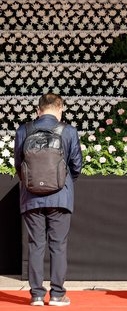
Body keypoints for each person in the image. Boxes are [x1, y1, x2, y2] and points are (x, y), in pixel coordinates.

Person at [14, 93, 83, 307]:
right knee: (58, 245)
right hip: (60, 196)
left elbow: (18, 163)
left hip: (31, 197)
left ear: (38, 110)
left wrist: (33, 182)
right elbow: (77, 165)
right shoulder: (69, 131)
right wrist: (62, 182)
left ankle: (35, 295)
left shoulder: (24, 130)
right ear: (60, 109)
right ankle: (56, 295)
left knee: (35, 245)